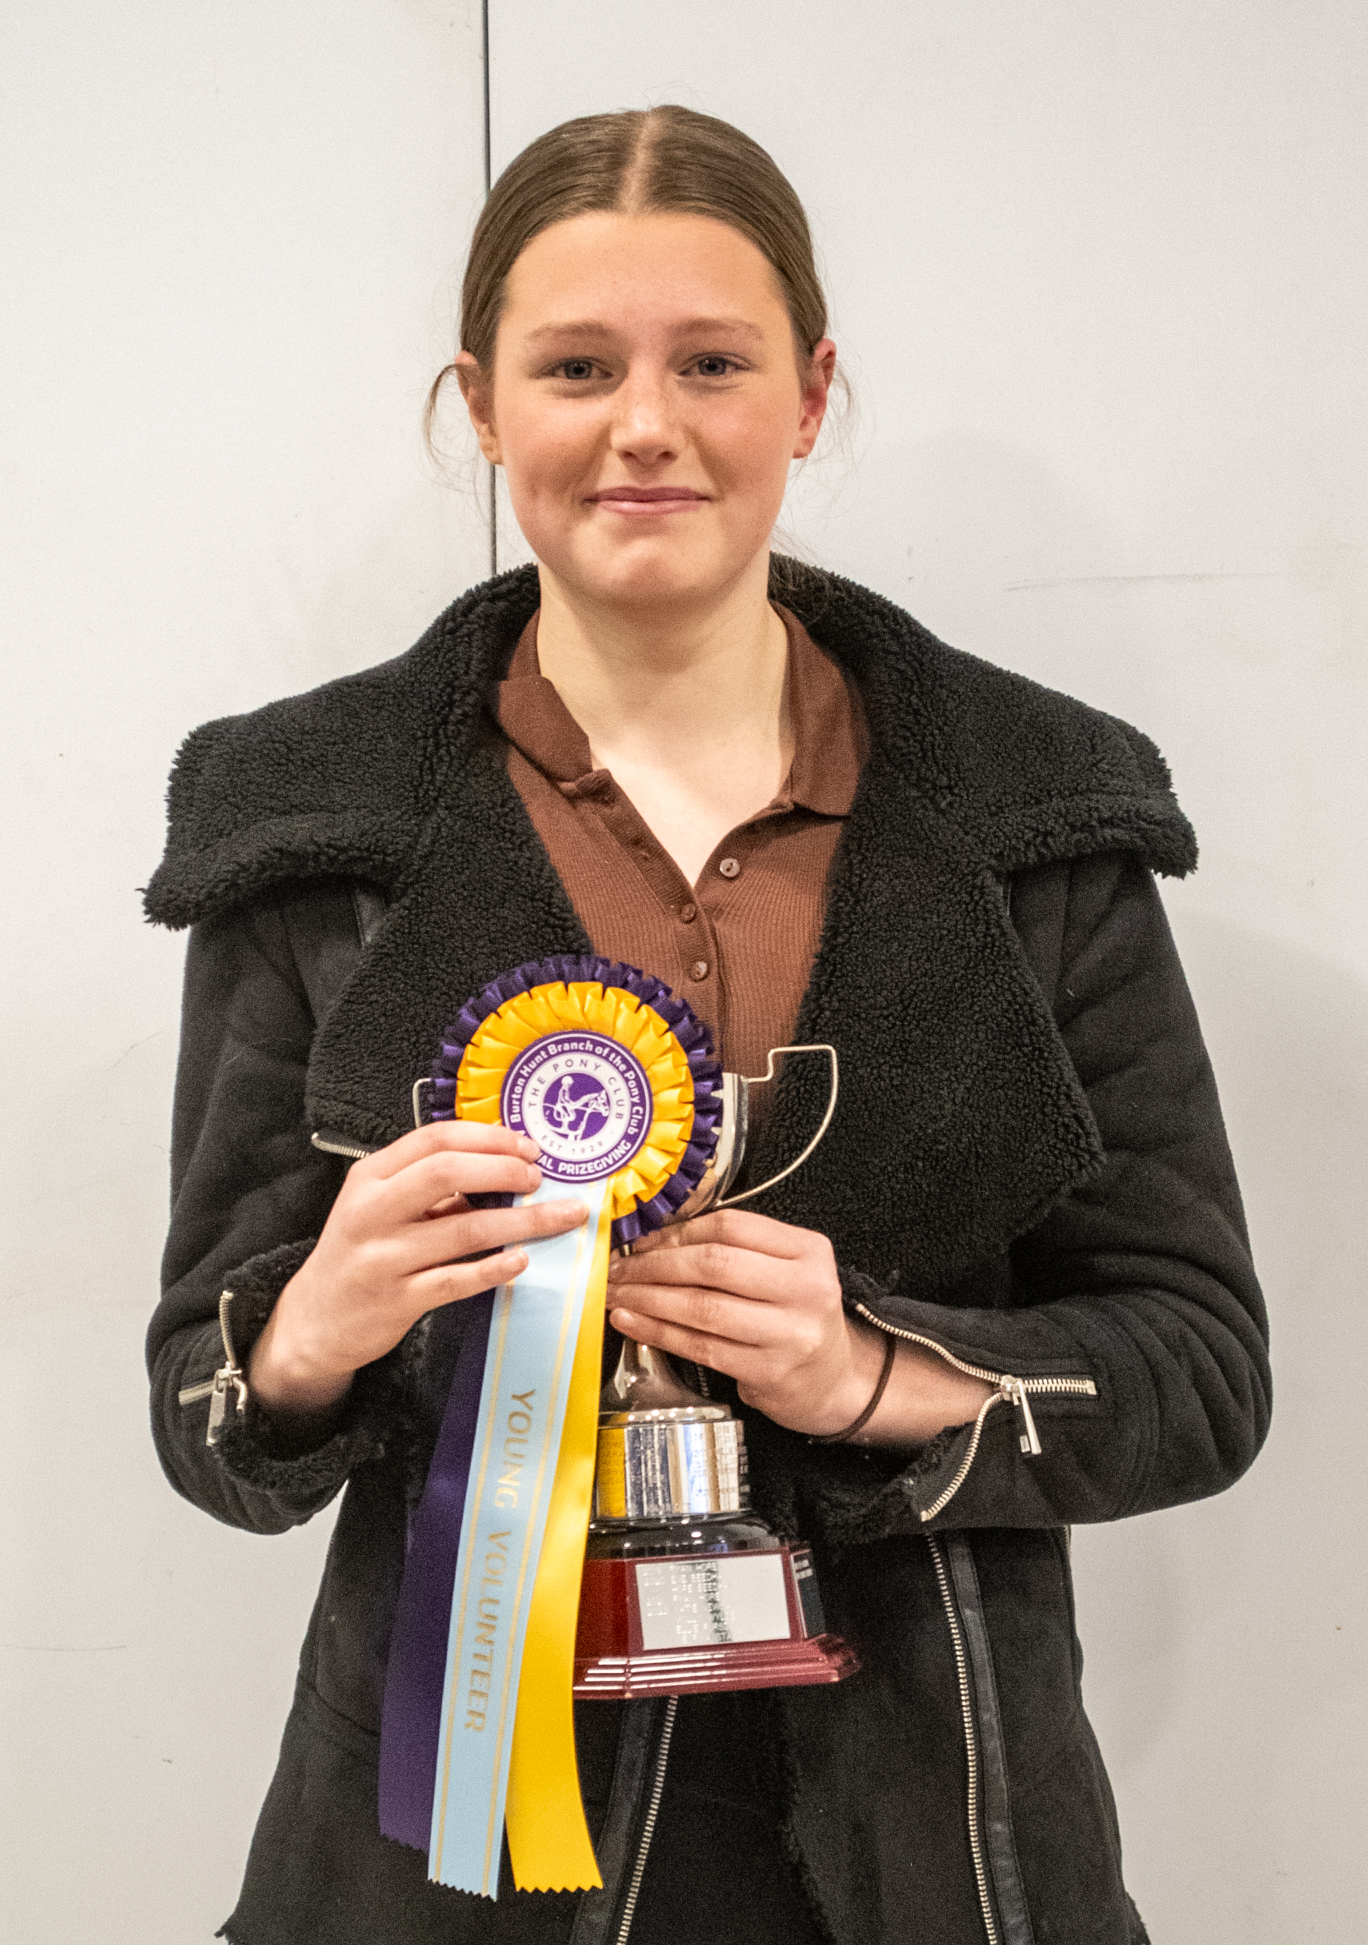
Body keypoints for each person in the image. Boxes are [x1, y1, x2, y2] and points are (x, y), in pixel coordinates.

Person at [145, 106, 1270, 1945]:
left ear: (811, 394)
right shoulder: (301, 826)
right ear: (482, 404)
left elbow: (1202, 1370)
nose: (645, 424)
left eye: (714, 364)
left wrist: (875, 1373)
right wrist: (311, 1331)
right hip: (444, 1867)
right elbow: (201, 1415)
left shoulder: (1041, 810)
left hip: (949, 1847)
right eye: (577, 366)